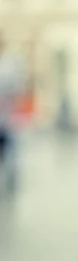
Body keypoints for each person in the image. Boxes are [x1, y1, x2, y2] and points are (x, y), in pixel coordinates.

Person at [0, 38, 27, 201]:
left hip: (7, 119)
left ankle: (11, 180)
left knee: (10, 153)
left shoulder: (10, 65)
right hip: (6, 118)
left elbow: (17, 91)